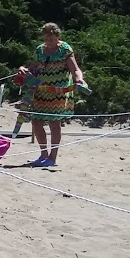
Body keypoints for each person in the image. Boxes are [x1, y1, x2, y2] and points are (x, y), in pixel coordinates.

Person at [22, 22, 86, 167]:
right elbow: (33, 67)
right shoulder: (40, 50)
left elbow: (75, 69)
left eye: (51, 38)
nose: (48, 41)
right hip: (41, 91)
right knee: (36, 122)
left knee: (54, 123)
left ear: (57, 36)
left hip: (59, 92)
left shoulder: (65, 49)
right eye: (45, 38)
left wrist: (79, 79)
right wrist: (24, 69)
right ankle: (43, 154)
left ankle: (52, 158)